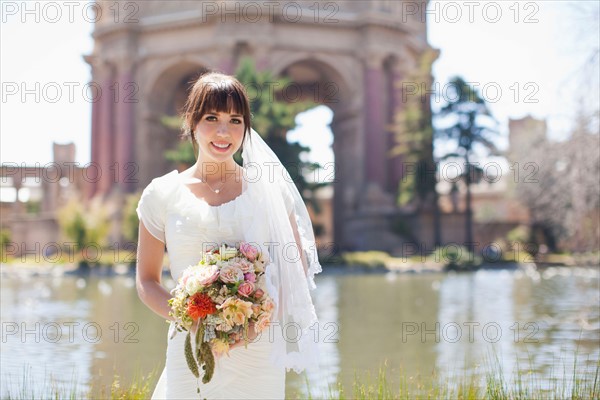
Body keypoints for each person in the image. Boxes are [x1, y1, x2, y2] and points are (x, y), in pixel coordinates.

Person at [135, 71, 322, 399]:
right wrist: (194, 322)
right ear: (192, 122)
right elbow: (147, 282)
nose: (224, 132)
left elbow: (294, 271)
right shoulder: (161, 194)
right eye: (211, 118)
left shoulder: (271, 191)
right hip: (189, 347)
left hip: (257, 353)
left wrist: (251, 324)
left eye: (235, 120)